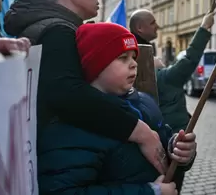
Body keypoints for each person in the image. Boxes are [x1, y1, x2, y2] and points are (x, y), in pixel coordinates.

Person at [4, 0, 166, 174]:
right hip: (61, 162)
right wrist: (139, 130)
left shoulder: (46, 25)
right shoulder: (58, 31)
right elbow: (67, 95)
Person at [38, 22, 197, 194]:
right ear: (95, 64)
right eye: (123, 58)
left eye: (133, 57)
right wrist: (150, 191)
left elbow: (161, 141)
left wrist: (179, 151)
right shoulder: (72, 126)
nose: (134, 64)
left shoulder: (144, 102)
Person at [129, 8, 213, 193]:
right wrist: (204, 28)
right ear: (140, 28)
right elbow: (188, 61)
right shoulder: (160, 75)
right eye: (152, 23)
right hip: (169, 152)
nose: (157, 26)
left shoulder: (128, 61)